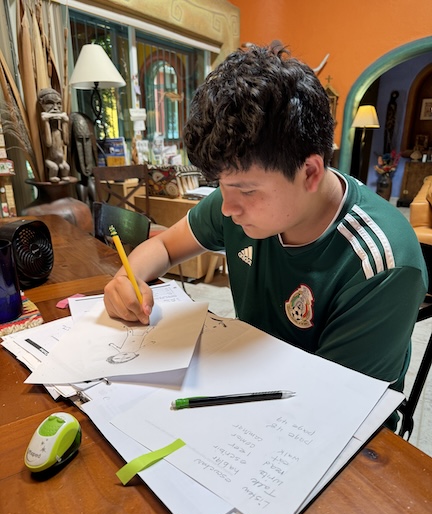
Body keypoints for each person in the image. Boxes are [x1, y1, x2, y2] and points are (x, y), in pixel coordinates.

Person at [104, 44, 427, 430]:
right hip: (252, 381)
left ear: (310, 172)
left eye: (246, 190)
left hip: (338, 425)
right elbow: (163, 245)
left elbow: (332, 410)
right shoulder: (239, 201)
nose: (227, 208)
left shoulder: (383, 264)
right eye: (221, 186)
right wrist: (127, 279)